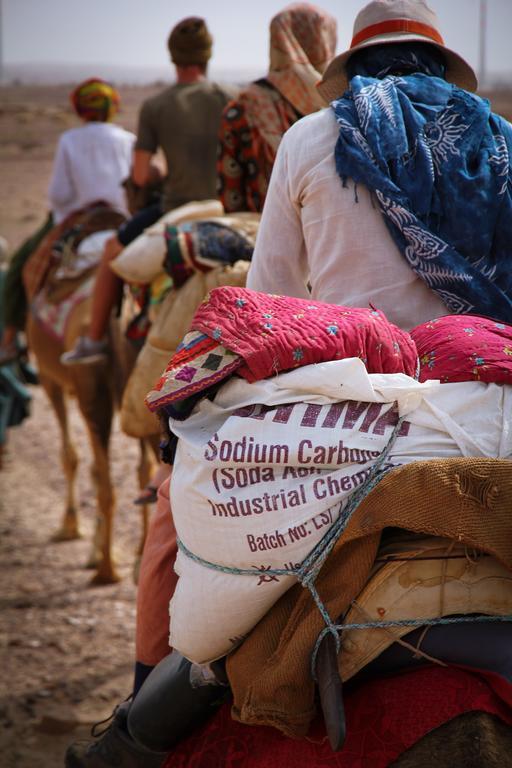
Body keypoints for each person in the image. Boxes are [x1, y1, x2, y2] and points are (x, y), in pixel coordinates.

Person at [247, 0, 512, 331]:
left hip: (351, 363)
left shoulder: (306, 137)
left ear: (356, 64)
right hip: (477, 360)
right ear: (439, 64)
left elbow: (270, 288)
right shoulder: (500, 137)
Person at [62, 17, 237, 366]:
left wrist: (160, 170)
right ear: (207, 57)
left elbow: (140, 176)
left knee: (112, 249)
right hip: (226, 210)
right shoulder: (229, 97)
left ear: (174, 59)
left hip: (174, 211)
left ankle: (95, 338)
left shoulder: (156, 106)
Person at [0, 78, 135, 364]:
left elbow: (59, 194)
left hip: (79, 218)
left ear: (80, 110)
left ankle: (11, 340)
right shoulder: (127, 139)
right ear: (112, 108)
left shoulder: (70, 140)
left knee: (19, 268)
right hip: (125, 220)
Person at [217, 2, 337, 213]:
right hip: (332, 235)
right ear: (326, 40)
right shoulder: (348, 106)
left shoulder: (243, 108)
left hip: (261, 237)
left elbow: (231, 198)